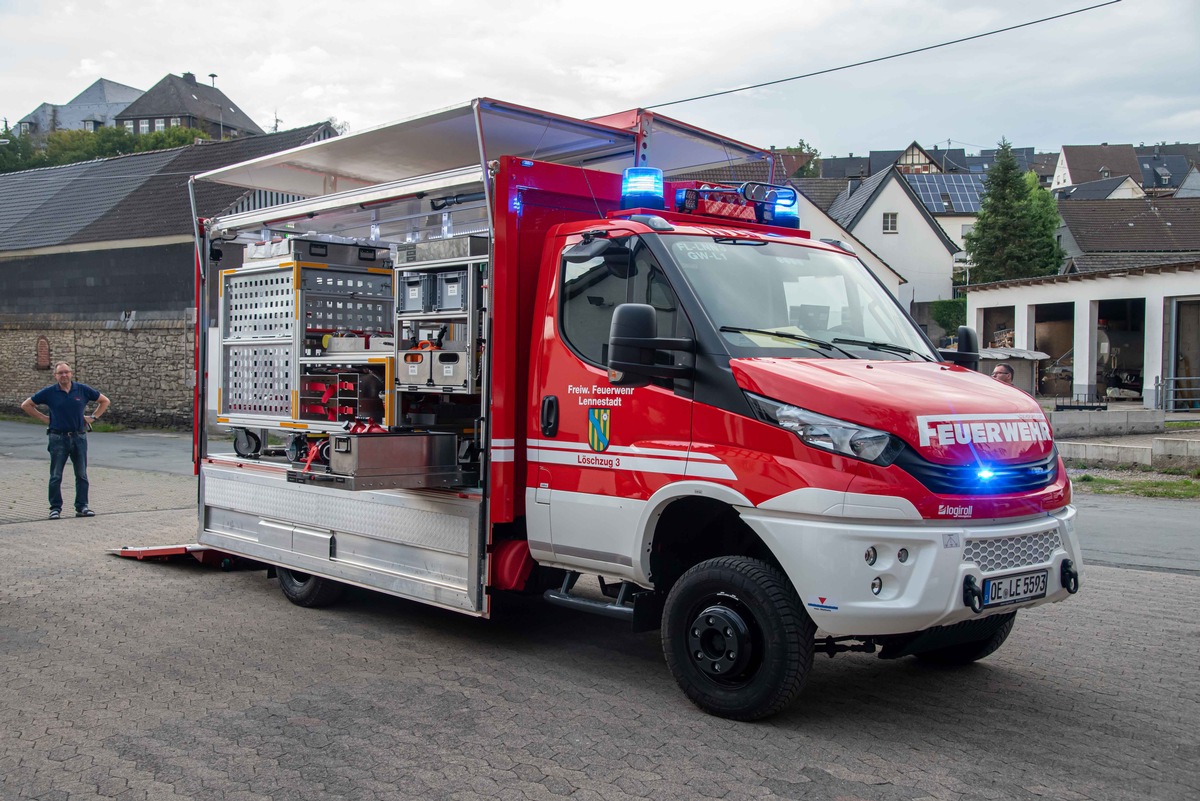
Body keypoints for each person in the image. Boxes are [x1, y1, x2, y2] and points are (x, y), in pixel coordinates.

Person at [21, 363, 111, 519]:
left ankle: (82, 506)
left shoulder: (82, 390)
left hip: (79, 437)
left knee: (81, 474)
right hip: (58, 437)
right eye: (60, 373)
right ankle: (55, 508)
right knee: (56, 475)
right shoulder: (49, 392)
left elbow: (104, 401)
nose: (64, 375)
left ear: (71, 374)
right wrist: (43, 418)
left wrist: (93, 417)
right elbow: (26, 405)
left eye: (66, 372)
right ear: (55, 376)